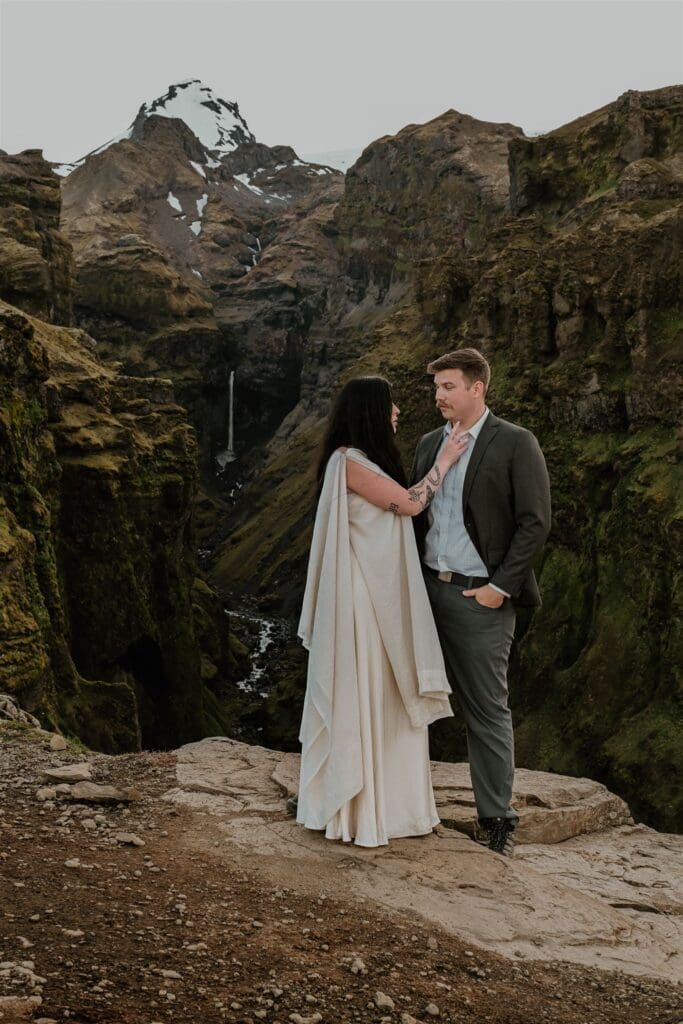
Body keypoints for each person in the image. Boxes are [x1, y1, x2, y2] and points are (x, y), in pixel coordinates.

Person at [295, 376, 469, 847]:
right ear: (371, 412)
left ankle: (383, 806)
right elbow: (410, 504)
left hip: (371, 597)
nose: (398, 413)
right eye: (390, 407)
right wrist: (446, 461)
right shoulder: (348, 462)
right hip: (364, 603)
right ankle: (369, 809)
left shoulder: (355, 462)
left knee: (384, 693)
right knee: (375, 688)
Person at [411, 348, 551, 857]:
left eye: (448, 387)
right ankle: (394, 802)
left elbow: (535, 522)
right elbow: (413, 511)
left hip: (479, 598)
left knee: (486, 708)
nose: (439, 396)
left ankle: (497, 820)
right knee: (402, 697)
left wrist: (500, 587)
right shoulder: (429, 444)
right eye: (436, 388)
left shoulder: (515, 442)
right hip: (424, 590)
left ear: (477, 389)